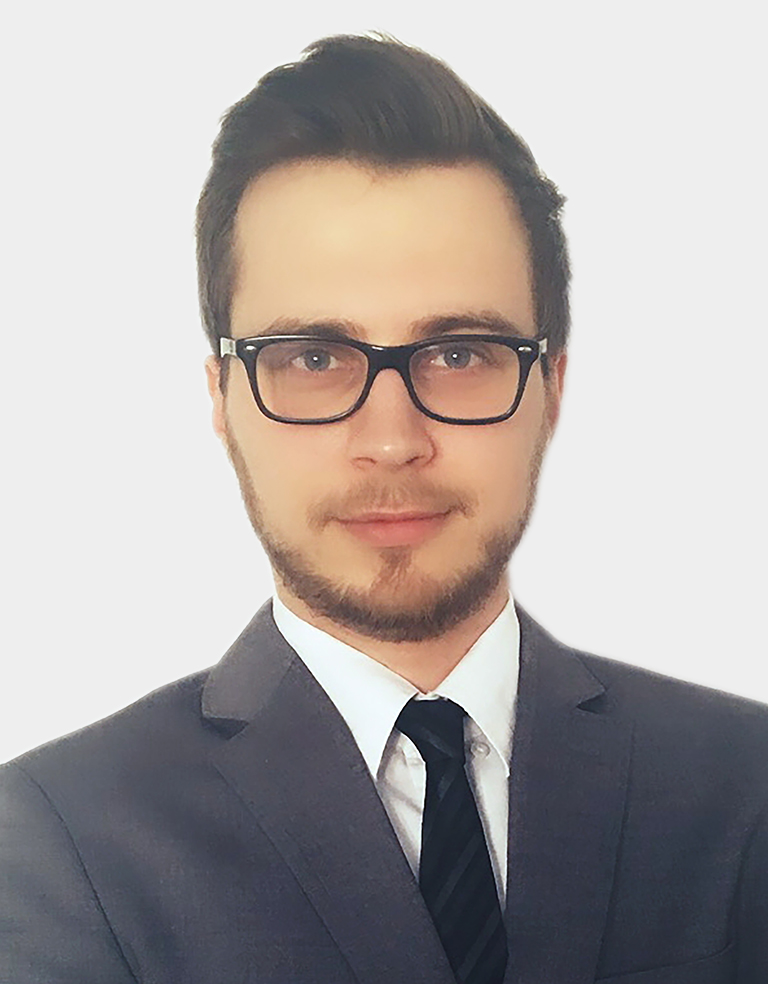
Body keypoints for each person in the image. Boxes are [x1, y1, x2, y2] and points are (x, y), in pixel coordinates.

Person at [1, 32, 766, 984]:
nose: (393, 439)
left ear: (552, 389)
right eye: (314, 359)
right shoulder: (56, 838)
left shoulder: (745, 784)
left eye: (460, 353)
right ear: (222, 401)